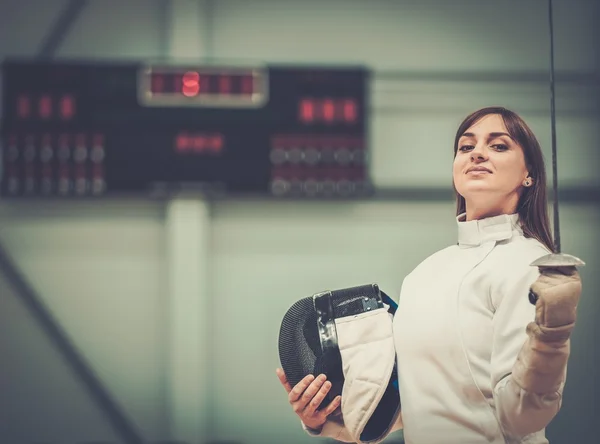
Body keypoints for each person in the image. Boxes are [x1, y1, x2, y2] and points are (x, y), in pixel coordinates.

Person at [276, 106, 582, 444]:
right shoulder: (424, 274)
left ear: (529, 175)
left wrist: (551, 339)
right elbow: (408, 408)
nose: (477, 153)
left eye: (498, 146)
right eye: (466, 147)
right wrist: (325, 418)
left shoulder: (531, 265)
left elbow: (521, 416)